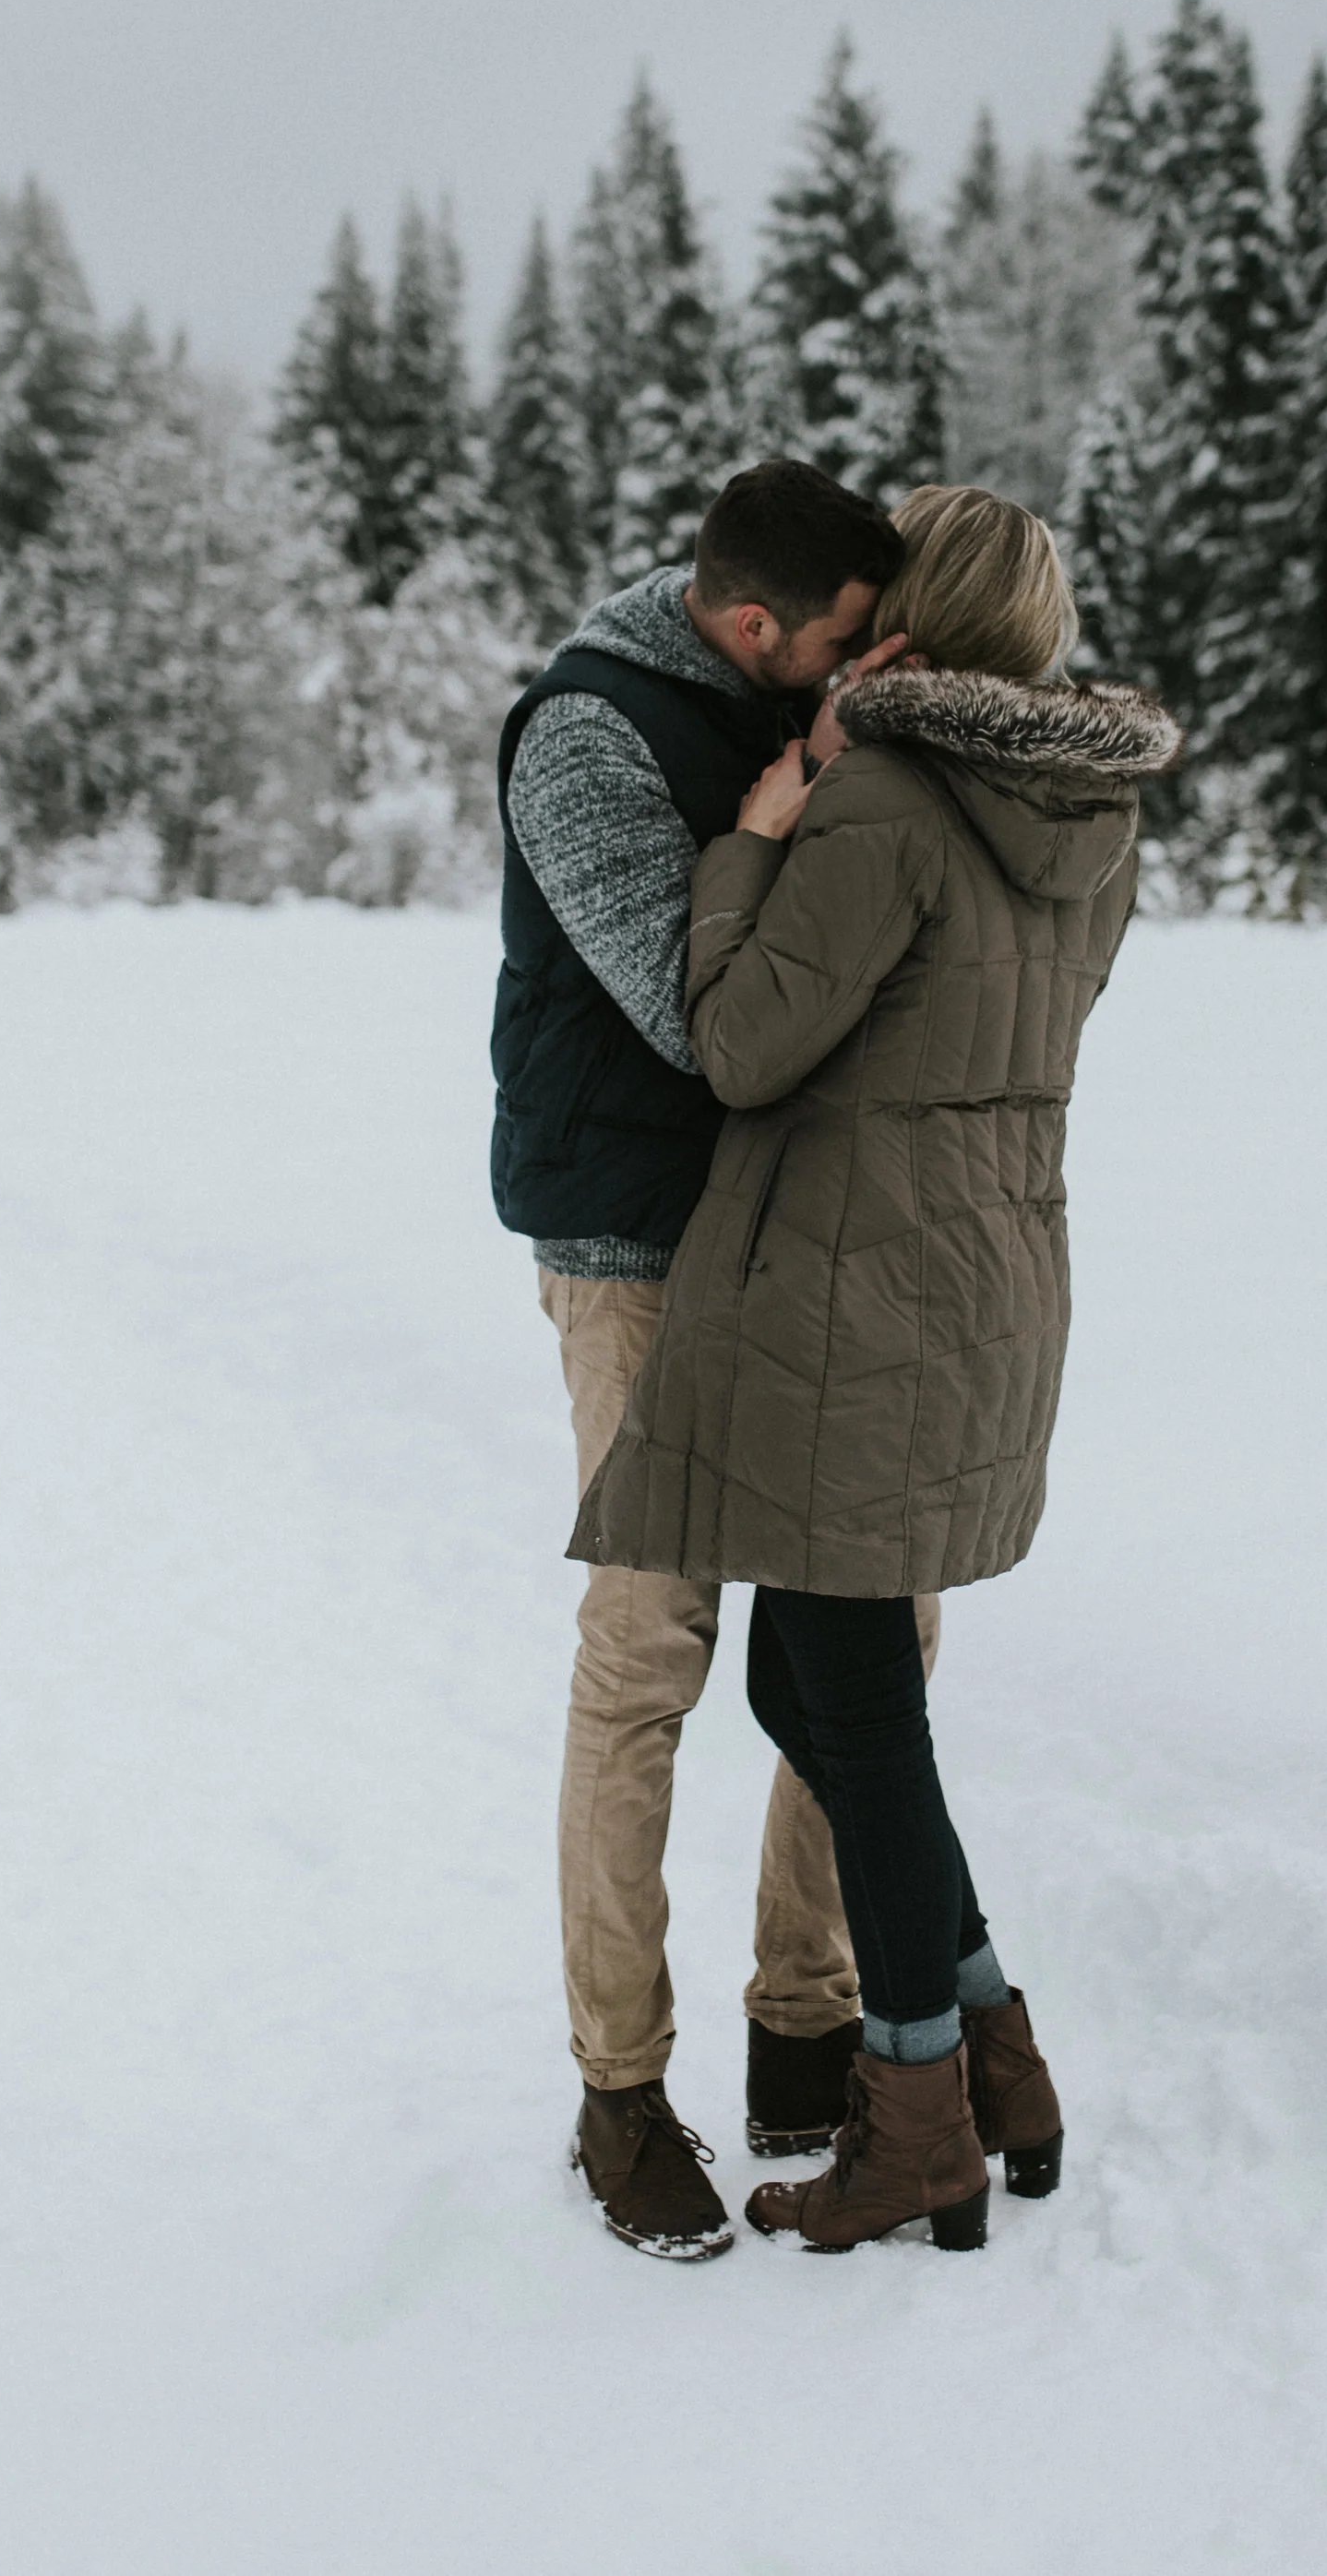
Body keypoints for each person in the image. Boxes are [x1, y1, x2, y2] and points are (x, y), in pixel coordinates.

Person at [573, 483, 1180, 2252]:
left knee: (847, 1701)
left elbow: (749, 1044)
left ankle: (922, 2110)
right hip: (989, 1277)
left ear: (916, 622)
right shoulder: (1097, 813)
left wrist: (759, 835)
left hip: (852, 1297)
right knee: (822, 1692)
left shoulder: (891, 799)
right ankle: (988, 2042)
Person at [491, 458, 911, 2262]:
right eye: (835, 641)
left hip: (800, 1230)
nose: (855, 667)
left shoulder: (794, 698)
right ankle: (616, 2089)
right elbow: (697, 1016)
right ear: (751, 625)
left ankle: (800, 2020)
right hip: (640, 1245)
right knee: (651, 1642)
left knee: (858, 1627)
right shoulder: (583, 739)